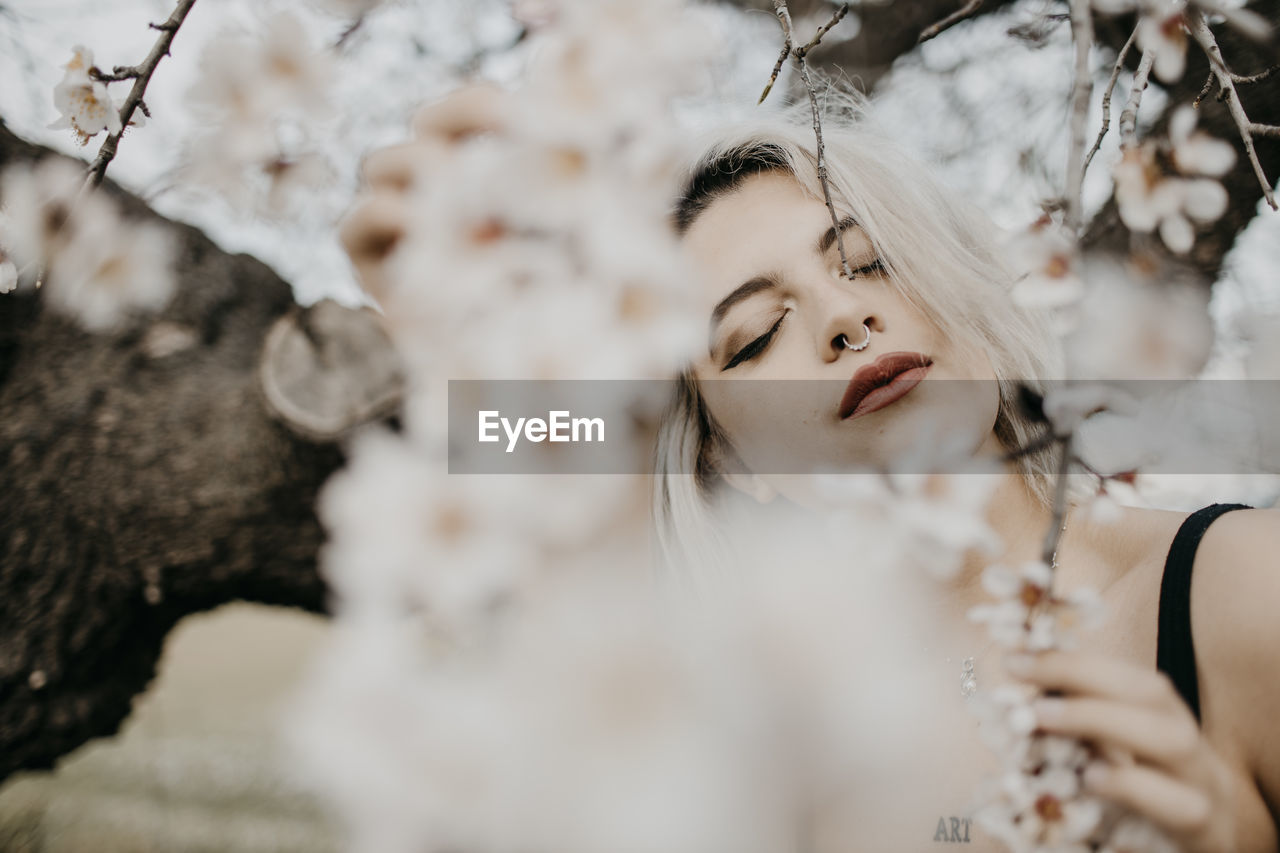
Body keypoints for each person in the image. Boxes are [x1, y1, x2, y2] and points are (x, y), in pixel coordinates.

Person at [339, 89, 1280, 853]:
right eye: (752, 338)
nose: (841, 316)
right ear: (734, 460)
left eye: (868, 262)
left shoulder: (1240, 590)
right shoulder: (764, 744)